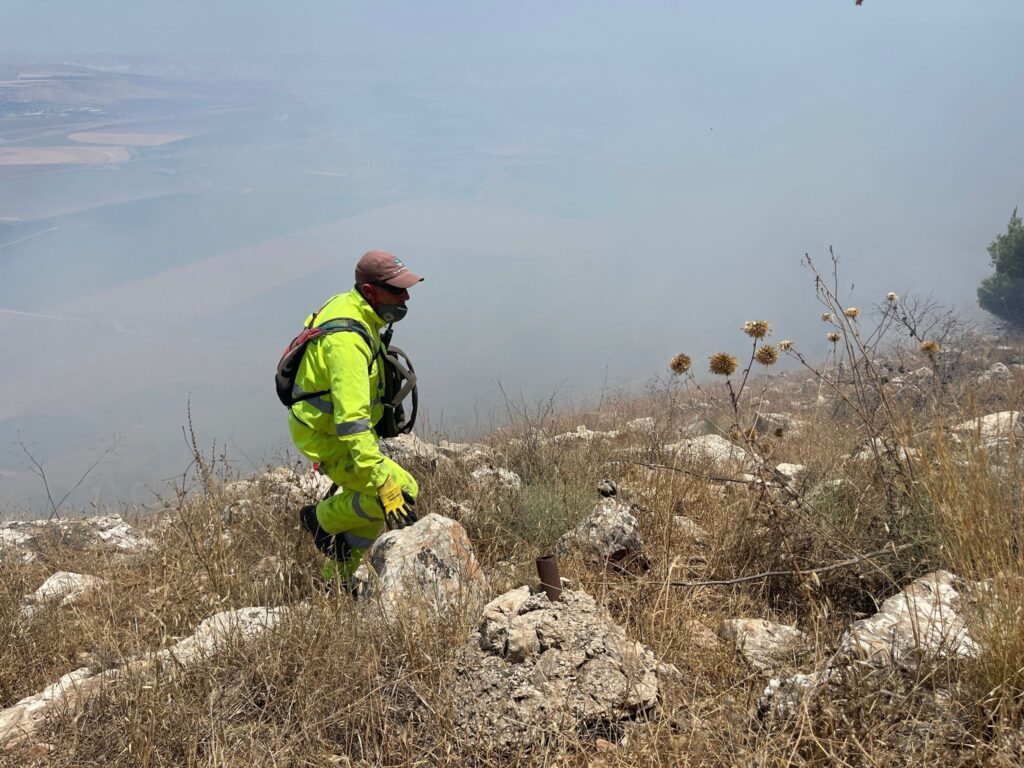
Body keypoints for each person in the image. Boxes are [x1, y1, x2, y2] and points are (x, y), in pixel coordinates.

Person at [289, 250, 423, 583]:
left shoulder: (353, 308)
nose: (405, 296)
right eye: (396, 290)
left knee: (372, 503)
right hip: (330, 439)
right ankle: (319, 519)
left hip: (330, 431)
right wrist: (382, 481)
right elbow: (352, 421)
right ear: (369, 292)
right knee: (401, 492)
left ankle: (335, 580)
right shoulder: (347, 343)